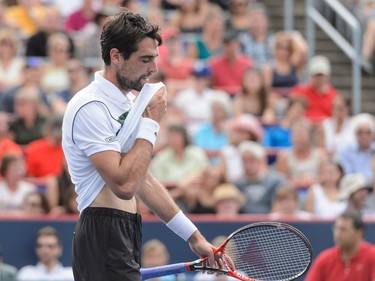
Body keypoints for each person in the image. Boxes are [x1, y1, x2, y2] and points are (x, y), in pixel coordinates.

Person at [62, 9, 219, 281]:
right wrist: (151, 122)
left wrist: (193, 237)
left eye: (155, 59)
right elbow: (124, 186)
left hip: (125, 229)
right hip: (102, 232)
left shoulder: (128, 103)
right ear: (116, 56)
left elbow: (142, 178)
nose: (154, 68)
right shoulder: (89, 106)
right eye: (145, 59)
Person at [305, 211, 375, 281]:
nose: (338, 234)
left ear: (359, 232)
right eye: (336, 228)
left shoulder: (372, 255)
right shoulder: (324, 258)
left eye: (343, 229)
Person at [290, 55, 339, 123]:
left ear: (328, 76)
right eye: (316, 75)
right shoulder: (299, 91)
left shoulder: (334, 95)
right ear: (310, 75)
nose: (318, 78)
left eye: (321, 75)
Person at [337, 113, 375, 184]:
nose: (364, 136)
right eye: (360, 132)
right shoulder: (346, 152)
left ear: (373, 134)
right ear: (355, 134)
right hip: (354, 190)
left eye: (367, 132)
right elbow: (348, 176)